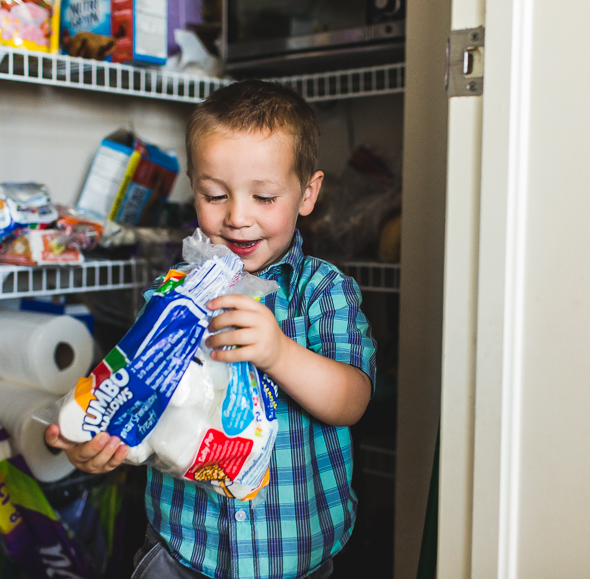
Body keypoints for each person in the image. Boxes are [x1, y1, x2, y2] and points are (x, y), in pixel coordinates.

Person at [45, 79, 377, 579]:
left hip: (294, 558)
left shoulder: (322, 291)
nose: (237, 218)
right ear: (194, 189)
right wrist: (98, 442)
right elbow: (142, 394)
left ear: (307, 193)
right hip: (183, 551)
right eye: (215, 195)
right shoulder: (173, 295)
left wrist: (278, 353)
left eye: (264, 197)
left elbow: (352, 401)